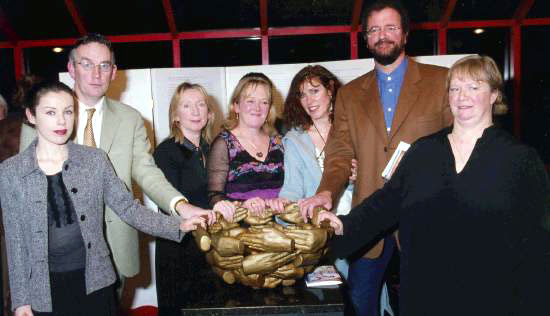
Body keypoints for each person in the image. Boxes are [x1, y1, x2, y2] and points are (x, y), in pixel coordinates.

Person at [318, 55, 550, 315]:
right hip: (424, 295)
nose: (462, 96)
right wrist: (343, 225)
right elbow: (385, 203)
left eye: (474, 87)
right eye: (455, 88)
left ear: (494, 94)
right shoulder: (423, 152)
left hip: (491, 297)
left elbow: (538, 247)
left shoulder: (520, 159)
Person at [0, 80, 211, 316]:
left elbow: (128, 208)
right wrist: (21, 301)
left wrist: (178, 225)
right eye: (50, 112)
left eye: (68, 112)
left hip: (95, 283)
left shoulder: (94, 160)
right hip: (43, 292)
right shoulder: (11, 172)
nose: (61, 121)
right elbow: (16, 240)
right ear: (31, 115)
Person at [19, 34, 210, 291]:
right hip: (57, 252)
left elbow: (146, 171)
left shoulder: (130, 119)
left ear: (114, 72)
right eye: (87, 64)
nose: (96, 73)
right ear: (71, 69)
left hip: (114, 249)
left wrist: (180, 205)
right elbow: (24, 193)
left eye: (105, 65)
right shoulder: (42, 115)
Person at [300, 1, 452, 314]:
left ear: (406, 34)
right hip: (369, 216)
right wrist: (327, 191)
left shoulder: (442, 82)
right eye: (374, 29)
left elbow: (457, 144)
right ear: (366, 39)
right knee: (359, 301)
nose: (382, 35)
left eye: (390, 27)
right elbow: (340, 152)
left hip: (426, 216)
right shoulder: (350, 94)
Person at [266, 65, 354, 279]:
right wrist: (282, 205)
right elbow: (293, 189)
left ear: (331, 90)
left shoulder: (354, 129)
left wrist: (358, 178)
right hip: (319, 232)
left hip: (358, 224)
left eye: (314, 91)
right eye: (302, 95)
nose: (309, 101)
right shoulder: (294, 140)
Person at [153, 83, 217, 315]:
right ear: (175, 115)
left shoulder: (214, 149)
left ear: (210, 113)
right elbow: (169, 205)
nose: (195, 111)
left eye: (201, 105)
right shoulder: (165, 152)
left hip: (214, 247)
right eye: (187, 106)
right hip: (179, 249)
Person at [207, 73, 284, 215]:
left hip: (279, 226)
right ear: (236, 106)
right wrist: (242, 205)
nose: (257, 108)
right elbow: (214, 196)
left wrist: (283, 201)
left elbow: (292, 189)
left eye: (264, 102)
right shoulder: (224, 143)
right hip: (241, 229)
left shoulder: (278, 142)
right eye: (250, 101)